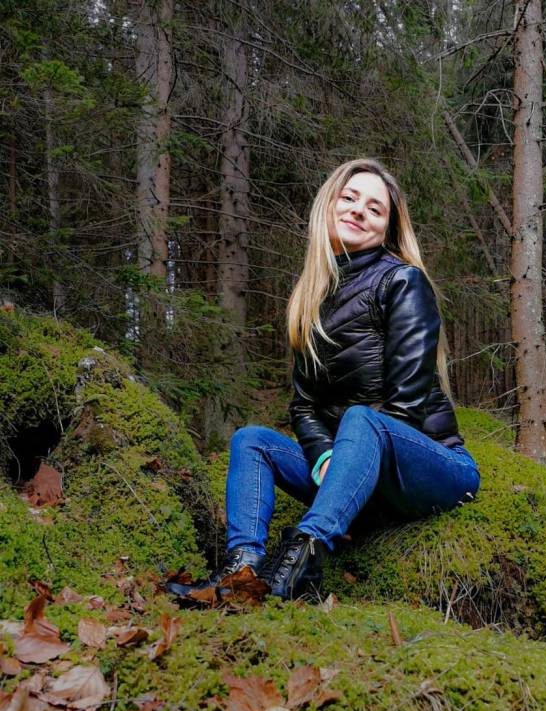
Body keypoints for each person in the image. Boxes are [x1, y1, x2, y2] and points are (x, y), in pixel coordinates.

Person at [169, 158, 480, 602]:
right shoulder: (313, 297)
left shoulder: (402, 281)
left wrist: (351, 461)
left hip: (434, 468)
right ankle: (241, 572)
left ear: (388, 230)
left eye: (375, 209)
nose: (358, 211)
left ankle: (300, 562)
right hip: (356, 474)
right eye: (349, 198)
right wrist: (322, 461)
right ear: (328, 206)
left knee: (361, 419)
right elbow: (304, 406)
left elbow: (406, 408)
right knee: (251, 440)